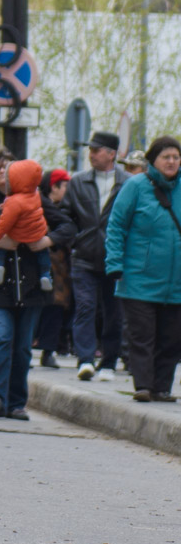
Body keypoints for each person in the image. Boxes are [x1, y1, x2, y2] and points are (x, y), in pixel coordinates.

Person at [0, 156, 73, 419]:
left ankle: (16, 403)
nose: (2, 172)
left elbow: (68, 227)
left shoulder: (37, 199)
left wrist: (47, 241)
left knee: (22, 346)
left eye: (7, 167)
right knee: (2, 336)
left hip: (32, 286)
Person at [105, 136, 181, 403]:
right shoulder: (135, 186)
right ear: (153, 160)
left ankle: (162, 387)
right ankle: (144, 385)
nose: (171, 161)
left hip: (177, 282)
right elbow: (116, 226)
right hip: (139, 278)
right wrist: (114, 263)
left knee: (172, 338)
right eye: (166, 157)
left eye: (176, 157)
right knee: (143, 335)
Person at [67, 131, 126, 381]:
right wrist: (74, 240)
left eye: (96, 150)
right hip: (84, 257)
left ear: (111, 154)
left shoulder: (128, 183)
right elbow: (66, 216)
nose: (90, 154)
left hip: (116, 259)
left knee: (114, 312)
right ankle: (85, 359)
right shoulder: (78, 181)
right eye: (90, 150)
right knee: (85, 307)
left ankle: (109, 362)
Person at [0, 161, 56, 293]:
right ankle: (45, 274)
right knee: (43, 253)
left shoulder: (14, 201)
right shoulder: (35, 194)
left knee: (2, 246)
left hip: (17, 234)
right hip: (37, 232)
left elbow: (4, 223)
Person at [36, 168, 74, 368]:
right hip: (41, 262)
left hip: (61, 267)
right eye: (65, 185)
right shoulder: (38, 205)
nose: (67, 190)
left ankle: (49, 349)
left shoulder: (67, 208)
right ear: (54, 186)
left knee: (56, 308)